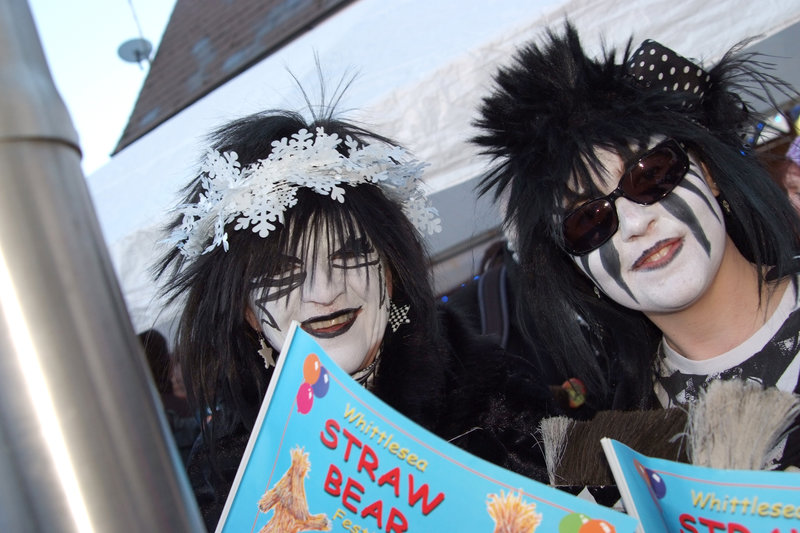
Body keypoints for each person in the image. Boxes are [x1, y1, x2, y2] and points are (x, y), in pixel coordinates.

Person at [157, 108, 556, 528]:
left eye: (348, 253)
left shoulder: (502, 404)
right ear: (248, 311)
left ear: (389, 272)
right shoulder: (222, 477)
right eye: (281, 270)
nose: (324, 291)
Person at [472, 23, 800, 467]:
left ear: (707, 171)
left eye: (650, 175)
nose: (633, 223)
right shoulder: (612, 452)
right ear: (576, 269)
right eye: (588, 220)